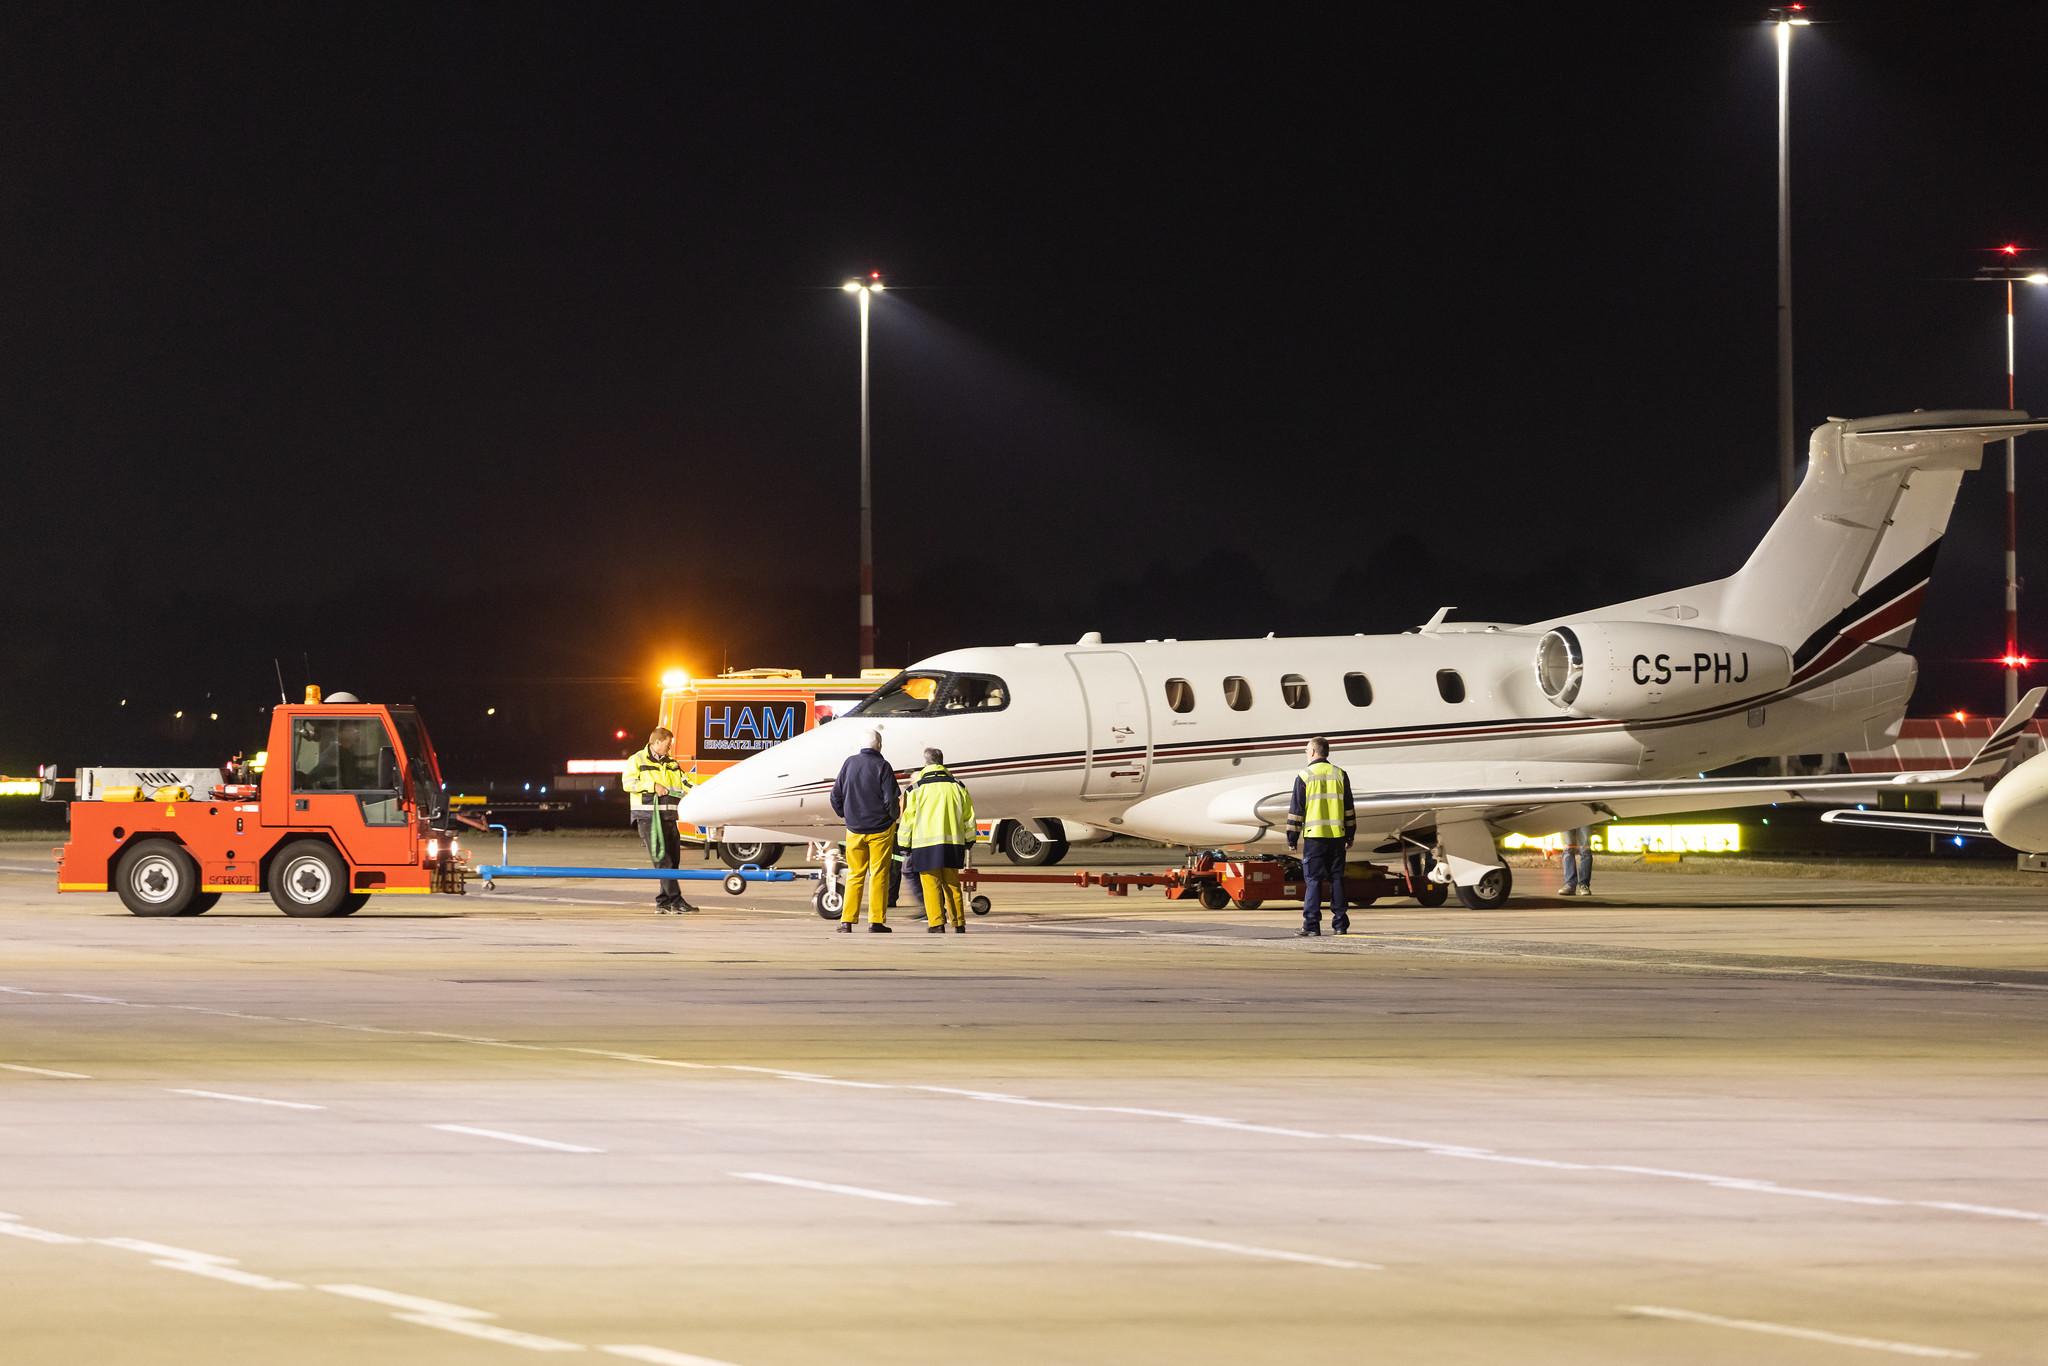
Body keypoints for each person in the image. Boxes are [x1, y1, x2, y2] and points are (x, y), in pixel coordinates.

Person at [621, 726, 700, 914]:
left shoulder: (671, 763)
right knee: (663, 862)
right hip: (649, 818)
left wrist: (702, 792)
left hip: (669, 817)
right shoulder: (637, 760)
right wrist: (652, 785)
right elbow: (628, 784)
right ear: (656, 743)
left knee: (673, 861)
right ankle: (676, 901)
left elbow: (685, 782)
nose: (670, 749)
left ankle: (663, 903)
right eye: (668, 744)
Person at [899, 747, 976, 933]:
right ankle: (958, 923)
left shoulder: (916, 789)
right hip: (953, 844)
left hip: (925, 845)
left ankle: (936, 923)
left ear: (926, 764)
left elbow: (908, 820)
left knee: (931, 885)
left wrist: (903, 843)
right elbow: (969, 817)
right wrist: (969, 839)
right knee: (952, 884)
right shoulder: (958, 786)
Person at [829, 729, 900, 933]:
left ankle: (847, 921)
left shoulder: (849, 763)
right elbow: (890, 799)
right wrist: (891, 818)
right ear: (879, 745)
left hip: (854, 829)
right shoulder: (883, 766)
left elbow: (835, 796)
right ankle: (875, 921)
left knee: (855, 874)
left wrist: (847, 814)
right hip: (880, 829)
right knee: (878, 874)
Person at [1286, 736, 1355, 937]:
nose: (1306, 753)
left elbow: (1296, 811)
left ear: (1314, 752)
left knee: (1314, 881)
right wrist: (1350, 834)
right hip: (1337, 836)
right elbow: (1349, 809)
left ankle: (1311, 925)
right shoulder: (1340, 774)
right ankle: (1340, 925)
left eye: (1307, 750)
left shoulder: (1305, 775)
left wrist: (1292, 838)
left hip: (1314, 837)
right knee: (1337, 880)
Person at [1561, 825, 1594, 896]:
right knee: (1567, 849)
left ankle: (1584, 884)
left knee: (1585, 849)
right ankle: (1570, 884)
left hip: (1584, 815)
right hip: (1564, 815)